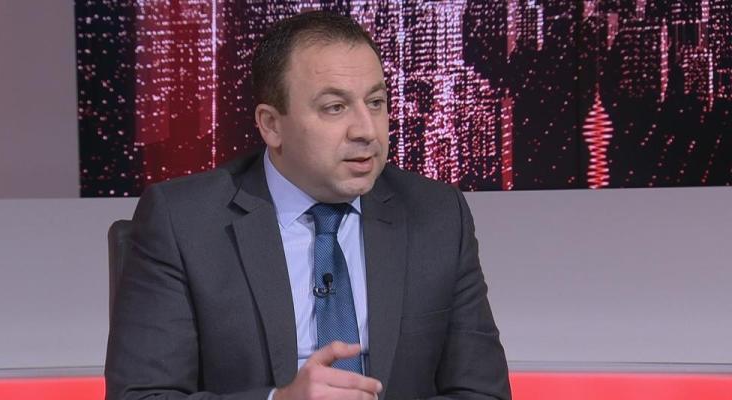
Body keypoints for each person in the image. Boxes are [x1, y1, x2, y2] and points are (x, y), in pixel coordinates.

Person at [105, 11, 511, 400]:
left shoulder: (437, 216)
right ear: (271, 125)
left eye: (375, 102)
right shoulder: (184, 222)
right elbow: (142, 395)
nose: (366, 130)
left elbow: (482, 393)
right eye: (335, 107)